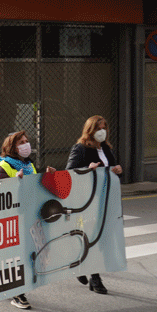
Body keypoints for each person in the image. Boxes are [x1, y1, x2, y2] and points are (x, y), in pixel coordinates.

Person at [66, 115, 122, 295]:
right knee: (92, 236)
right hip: (87, 199)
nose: (102, 131)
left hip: (105, 198)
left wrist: (117, 170)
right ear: (90, 130)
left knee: (102, 236)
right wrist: (87, 170)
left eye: (104, 127)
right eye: (98, 128)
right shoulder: (80, 148)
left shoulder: (106, 148)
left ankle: (80, 264)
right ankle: (95, 278)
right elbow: (69, 172)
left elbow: (110, 169)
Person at [0, 129, 47, 310]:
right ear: (12, 147)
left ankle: (11, 285)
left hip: (29, 214)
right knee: (17, 255)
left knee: (28, 253)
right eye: (21, 142)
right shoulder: (3, 166)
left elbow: (35, 187)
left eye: (26, 141)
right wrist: (14, 183)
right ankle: (17, 292)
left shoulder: (29, 165)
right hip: (12, 218)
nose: (26, 144)